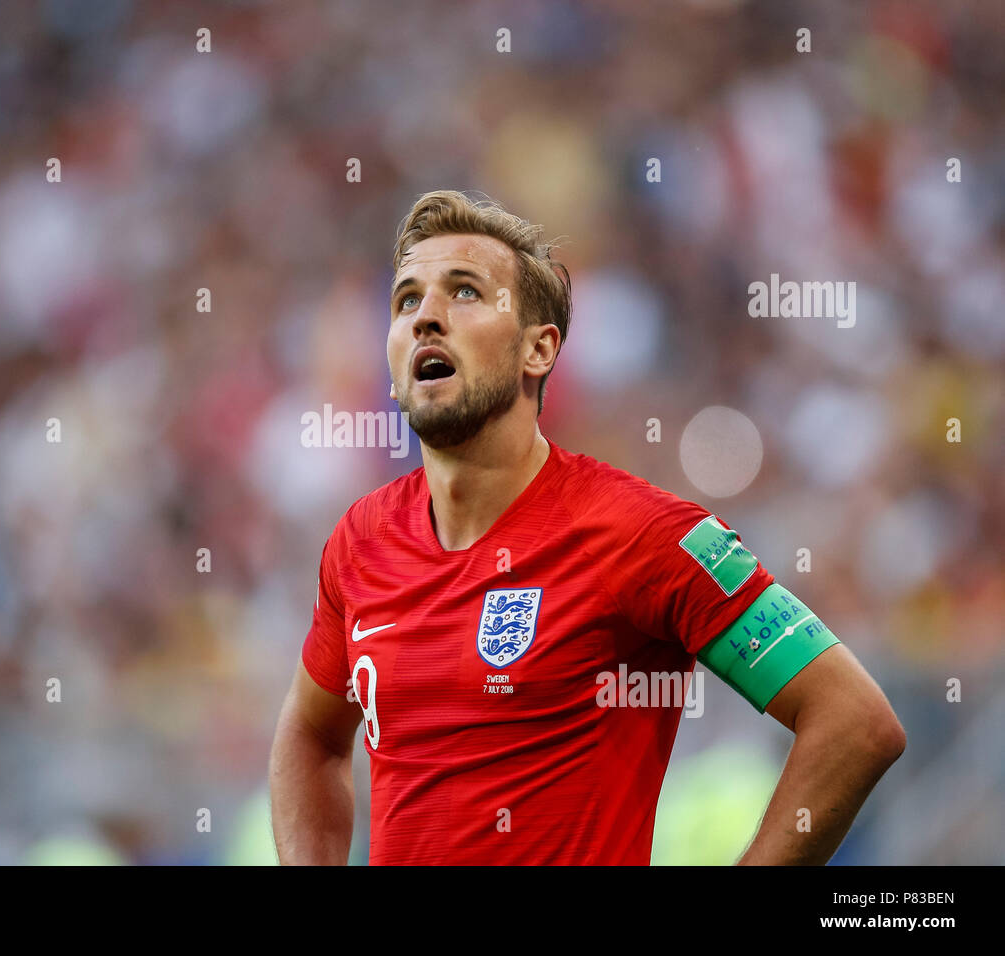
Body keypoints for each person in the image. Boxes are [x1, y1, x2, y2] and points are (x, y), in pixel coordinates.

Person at [268, 190, 905, 865]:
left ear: (537, 350)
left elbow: (855, 722)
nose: (426, 316)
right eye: (406, 300)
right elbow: (311, 736)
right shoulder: (360, 542)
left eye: (464, 293)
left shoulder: (644, 535)